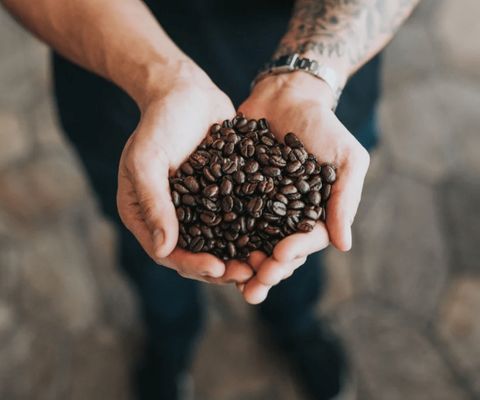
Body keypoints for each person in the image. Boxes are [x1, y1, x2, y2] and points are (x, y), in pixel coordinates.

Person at [1, 0, 420, 399]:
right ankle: (169, 343)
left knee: (297, 252)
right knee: (154, 244)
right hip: (122, 62)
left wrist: (307, 79)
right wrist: (162, 80)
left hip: (315, 79)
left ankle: (295, 325)